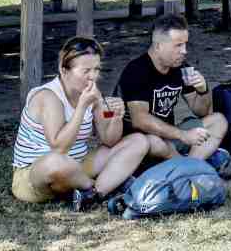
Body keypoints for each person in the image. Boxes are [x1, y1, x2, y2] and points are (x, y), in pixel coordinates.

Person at [12, 37, 148, 211]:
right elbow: (59, 148)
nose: (93, 77)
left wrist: (115, 117)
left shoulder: (93, 94)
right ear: (64, 70)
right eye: (86, 71)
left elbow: (109, 140)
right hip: (35, 176)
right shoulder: (48, 97)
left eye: (96, 69)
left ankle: (94, 194)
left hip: (77, 166)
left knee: (138, 141)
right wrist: (82, 107)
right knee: (55, 162)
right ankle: (107, 187)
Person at [114, 15, 231, 178]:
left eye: (185, 44)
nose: (184, 51)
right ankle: (196, 168)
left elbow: (202, 111)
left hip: (170, 138)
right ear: (158, 46)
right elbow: (141, 120)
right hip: (141, 144)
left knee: (218, 121)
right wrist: (183, 135)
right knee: (155, 142)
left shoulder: (180, 68)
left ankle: (188, 168)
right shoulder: (136, 71)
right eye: (178, 45)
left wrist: (202, 89)